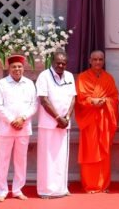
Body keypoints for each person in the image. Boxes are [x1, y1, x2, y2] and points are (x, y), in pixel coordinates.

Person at [0, 54, 38, 202]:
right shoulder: (1, 84)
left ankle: (17, 190)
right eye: (14, 67)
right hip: (6, 129)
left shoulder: (30, 84)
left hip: (23, 128)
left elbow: (34, 104)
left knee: (21, 160)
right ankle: (1, 191)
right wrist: (12, 120)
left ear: (23, 68)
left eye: (19, 66)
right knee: (2, 160)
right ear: (9, 68)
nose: (17, 69)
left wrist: (22, 118)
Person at [75, 50, 119, 193]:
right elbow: (80, 98)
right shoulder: (82, 77)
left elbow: (115, 98)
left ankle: (103, 184)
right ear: (89, 60)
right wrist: (91, 101)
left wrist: (106, 101)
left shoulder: (109, 78)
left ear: (104, 61)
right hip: (89, 121)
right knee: (90, 152)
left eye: (100, 59)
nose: (98, 62)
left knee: (104, 153)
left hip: (104, 121)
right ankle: (90, 185)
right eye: (95, 59)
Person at [36, 50, 76, 198]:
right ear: (52, 62)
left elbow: (73, 98)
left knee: (61, 158)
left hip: (64, 124)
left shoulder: (70, 76)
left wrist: (67, 118)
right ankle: (45, 190)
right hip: (48, 123)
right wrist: (58, 118)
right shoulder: (44, 76)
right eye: (58, 63)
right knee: (47, 158)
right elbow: (44, 100)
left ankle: (61, 189)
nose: (60, 65)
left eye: (63, 63)